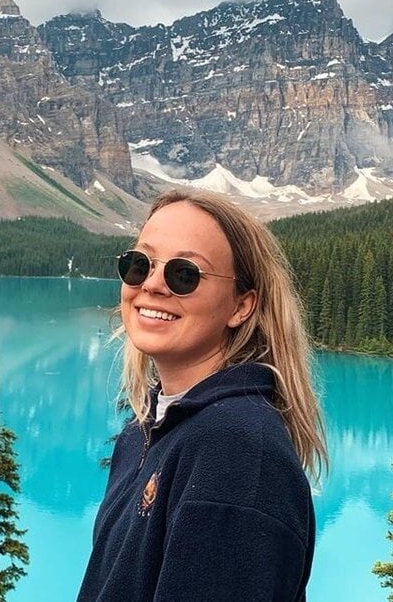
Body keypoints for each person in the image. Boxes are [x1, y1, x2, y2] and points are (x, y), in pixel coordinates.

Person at [77, 188, 327, 602]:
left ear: (241, 306)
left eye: (184, 274)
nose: (152, 285)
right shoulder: (145, 432)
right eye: (140, 265)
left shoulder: (237, 450)